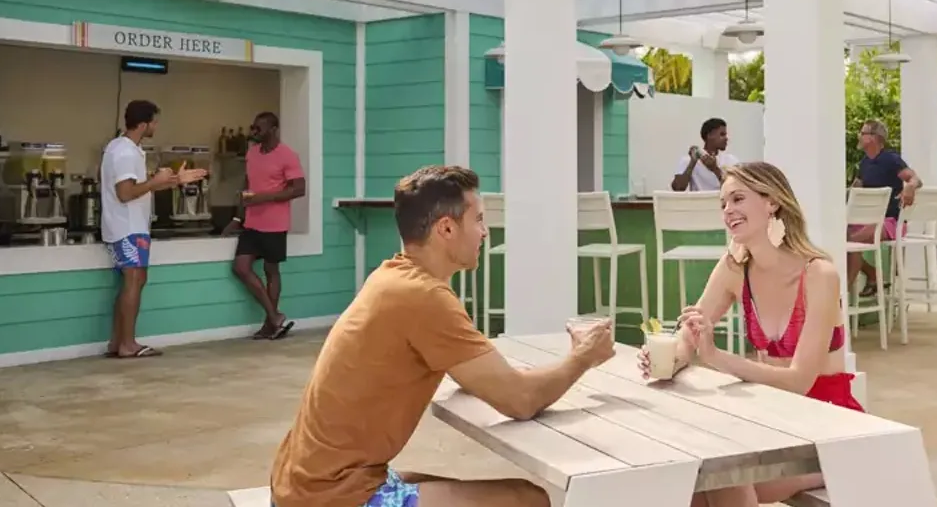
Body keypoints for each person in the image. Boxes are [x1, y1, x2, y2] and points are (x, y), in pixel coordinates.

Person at [271, 165, 616, 507]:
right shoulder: (425, 297)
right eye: (478, 219)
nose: (485, 232)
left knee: (463, 489)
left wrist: (512, 380)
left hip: (303, 484)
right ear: (447, 228)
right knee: (527, 500)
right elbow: (521, 400)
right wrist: (584, 356)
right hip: (331, 497)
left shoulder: (391, 277)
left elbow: (487, 379)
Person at [639, 161, 851, 507]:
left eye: (738, 199)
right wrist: (668, 361)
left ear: (772, 202)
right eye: (723, 203)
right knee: (689, 481)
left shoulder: (819, 275)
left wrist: (715, 357)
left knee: (724, 477)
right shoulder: (734, 269)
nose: (728, 210)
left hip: (828, 422)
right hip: (774, 415)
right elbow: (689, 335)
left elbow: (799, 381)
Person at [100, 100, 205, 359]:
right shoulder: (124, 152)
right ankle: (127, 344)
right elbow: (125, 193)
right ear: (143, 124)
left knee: (136, 280)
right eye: (154, 122)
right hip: (127, 227)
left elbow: (141, 186)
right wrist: (156, 181)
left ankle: (117, 342)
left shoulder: (124, 148)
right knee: (133, 281)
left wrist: (174, 180)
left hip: (132, 226)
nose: (156, 127)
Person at [225, 112, 306, 340]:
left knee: (271, 271)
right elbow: (248, 184)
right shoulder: (252, 153)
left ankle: (269, 324)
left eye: (258, 128)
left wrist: (263, 198)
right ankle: (274, 316)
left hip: (275, 224)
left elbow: (299, 189)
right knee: (240, 267)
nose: (254, 132)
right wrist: (237, 218)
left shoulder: (287, 155)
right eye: (253, 127)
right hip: (252, 223)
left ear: (273, 129)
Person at [847, 119, 923, 297]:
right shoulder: (865, 163)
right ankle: (872, 274)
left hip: (891, 222)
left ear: (874, 138)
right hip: (868, 221)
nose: (859, 136)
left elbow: (915, 179)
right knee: (842, 238)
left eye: (863, 133)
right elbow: (855, 189)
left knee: (850, 242)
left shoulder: (891, 159)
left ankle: (841, 296)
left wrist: (910, 187)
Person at [671, 117, 740, 191]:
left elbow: (736, 186)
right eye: (722, 134)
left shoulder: (731, 160)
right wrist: (692, 162)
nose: (726, 138)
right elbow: (678, 188)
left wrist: (715, 169)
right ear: (709, 135)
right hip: (698, 199)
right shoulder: (688, 160)